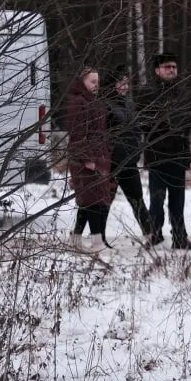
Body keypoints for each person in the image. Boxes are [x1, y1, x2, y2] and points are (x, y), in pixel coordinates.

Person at [137, 51, 191, 250]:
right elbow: (143, 122)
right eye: (167, 67)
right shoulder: (147, 93)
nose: (172, 70)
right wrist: (165, 128)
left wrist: (179, 129)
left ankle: (180, 237)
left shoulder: (183, 92)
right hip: (157, 153)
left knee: (178, 199)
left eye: (174, 67)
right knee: (157, 198)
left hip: (178, 153)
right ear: (157, 70)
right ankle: (154, 234)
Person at [65, 67, 116, 252]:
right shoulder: (78, 102)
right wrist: (86, 158)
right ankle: (96, 242)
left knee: (90, 200)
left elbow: (100, 131)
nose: (96, 85)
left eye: (98, 82)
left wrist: (104, 153)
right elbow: (77, 133)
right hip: (84, 160)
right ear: (82, 82)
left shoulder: (94, 102)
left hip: (98, 157)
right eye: (92, 82)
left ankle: (76, 238)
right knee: (93, 200)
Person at [101, 66, 151, 241]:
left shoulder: (129, 103)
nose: (124, 86)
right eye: (120, 82)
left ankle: (150, 235)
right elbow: (102, 134)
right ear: (112, 84)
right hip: (111, 163)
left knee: (137, 199)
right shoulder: (105, 105)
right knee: (104, 201)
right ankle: (96, 236)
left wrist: (138, 148)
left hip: (129, 161)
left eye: (126, 83)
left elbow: (136, 129)